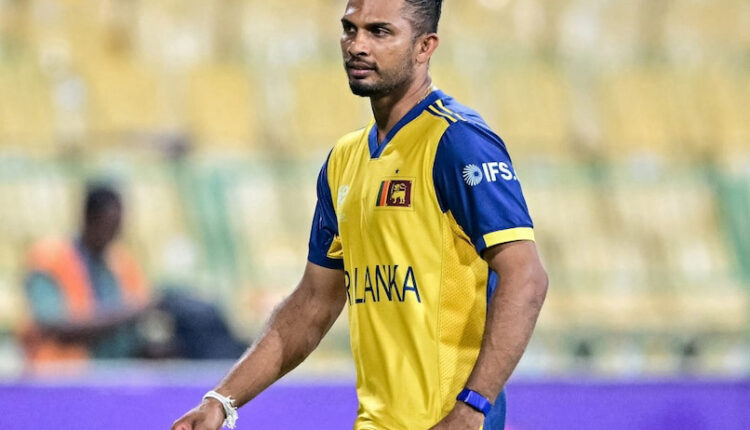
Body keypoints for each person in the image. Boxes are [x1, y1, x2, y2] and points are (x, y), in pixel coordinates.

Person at [172, 0, 548, 429]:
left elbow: (527, 277)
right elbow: (314, 302)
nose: (356, 45)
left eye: (379, 32)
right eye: (350, 29)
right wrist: (221, 401)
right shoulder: (344, 160)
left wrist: (471, 409)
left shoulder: (457, 141)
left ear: (425, 46)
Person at [20, 184, 150, 362]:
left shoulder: (121, 262)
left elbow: (140, 312)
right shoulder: (51, 257)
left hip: (116, 371)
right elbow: (53, 324)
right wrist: (125, 314)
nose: (111, 235)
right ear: (88, 217)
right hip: (61, 374)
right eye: (106, 225)